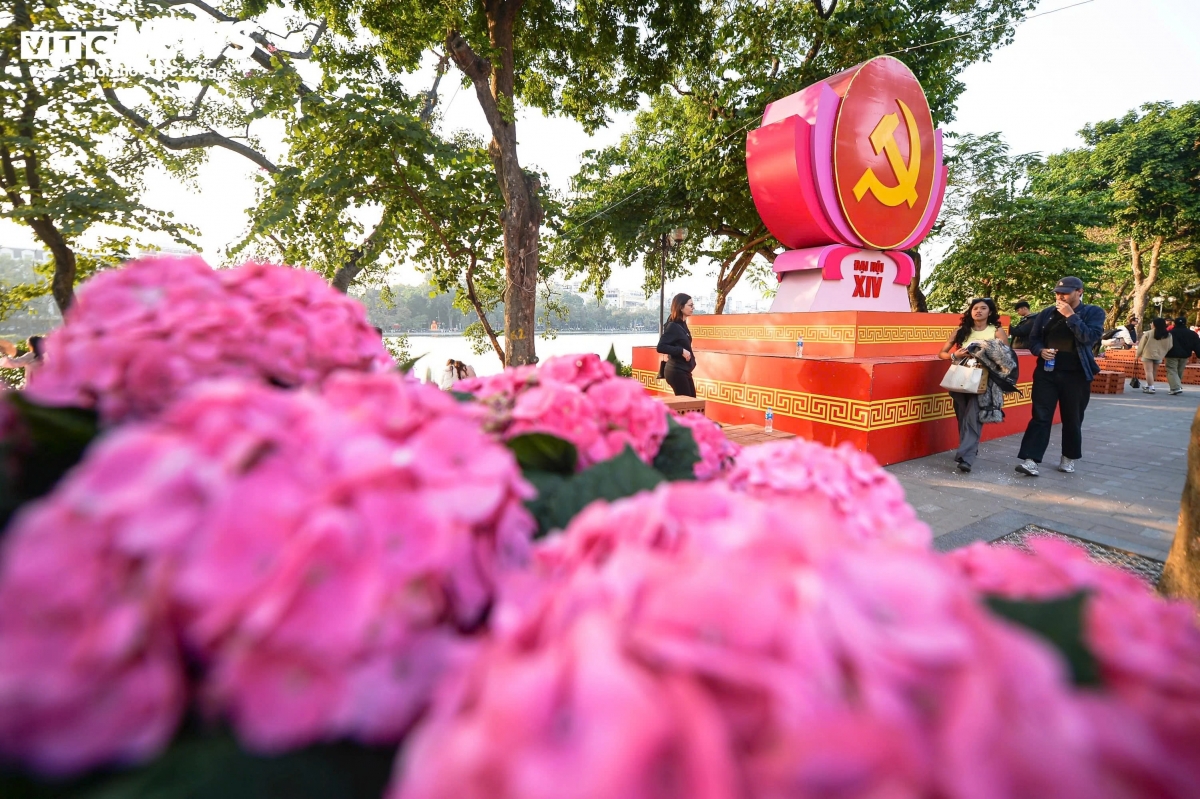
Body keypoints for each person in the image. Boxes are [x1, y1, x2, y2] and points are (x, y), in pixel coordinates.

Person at [1015, 276, 1106, 477]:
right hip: (1047, 372)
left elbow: (1090, 337)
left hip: (1077, 374)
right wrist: (1041, 351)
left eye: (1065, 293)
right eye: (1057, 293)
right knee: (1041, 415)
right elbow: (1034, 339)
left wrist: (1070, 316)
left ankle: (1068, 456)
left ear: (1079, 292)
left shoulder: (1093, 312)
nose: (1060, 296)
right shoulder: (1046, 313)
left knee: (1072, 418)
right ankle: (1031, 460)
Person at [938, 298, 1010, 473]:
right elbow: (942, 353)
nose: (978, 311)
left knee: (973, 417)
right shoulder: (961, 331)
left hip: (984, 380)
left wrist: (985, 354)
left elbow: (1006, 357)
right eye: (975, 308)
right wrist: (954, 355)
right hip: (961, 378)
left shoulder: (996, 331)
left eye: (983, 308)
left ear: (990, 312)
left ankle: (967, 458)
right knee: (963, 416)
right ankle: (967, 450)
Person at [656, 293, 697, 397]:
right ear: (681, 307)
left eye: (693, 305)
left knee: (693, 402)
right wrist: (681, 351)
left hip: (685, 370)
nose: (693, 308)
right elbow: (661, 347)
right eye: (690, 305)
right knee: (686, 403)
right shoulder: (673, 326)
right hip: (676, 371)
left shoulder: (682, 324)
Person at [1136, 317, 1173, 394]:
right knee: (1154, 371)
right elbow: (1170, 346)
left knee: (1148, 371)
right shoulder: (1168, 335)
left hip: (1148, 354)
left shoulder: (1148, 333)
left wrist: (1137, 355)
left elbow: (1141, 345)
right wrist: (1163, 352)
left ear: (1155, 324)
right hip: (1159, 355)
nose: (1151, 324)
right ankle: (1148, 385)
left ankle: (1151, 387)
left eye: (1152, 323)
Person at [1165, 316, 1200, 395]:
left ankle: (1176, 387)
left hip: (1171, 354)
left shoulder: (1170, 333)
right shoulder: (1192, 334)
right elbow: (1197, 345)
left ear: (1175, 323)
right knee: (1179, 371)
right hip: (1185, 355)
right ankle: (1177, 386)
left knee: (1171, 370)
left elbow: (1165, 344)